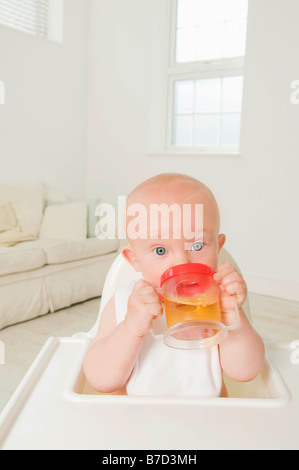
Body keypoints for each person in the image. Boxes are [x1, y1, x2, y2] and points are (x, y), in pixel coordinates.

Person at [84, 173, 265, 397]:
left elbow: (246, 372)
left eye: (197, 245)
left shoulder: (217, 301)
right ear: (134, 260)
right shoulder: (124, 303)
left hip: (208, 420)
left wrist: (234, 318)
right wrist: (131, 327)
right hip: (138, 421)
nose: (182, 263)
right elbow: (100, 380)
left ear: (217, 248)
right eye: (160, 250)